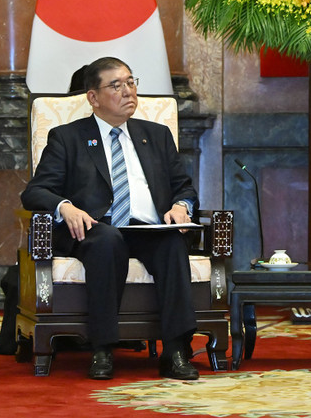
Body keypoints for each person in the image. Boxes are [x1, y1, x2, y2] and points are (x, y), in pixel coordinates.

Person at [21, 57, 200, 381]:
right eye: (116, 85)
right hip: (93, 228)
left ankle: (176, 351)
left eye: (131, 82)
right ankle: (102, 348)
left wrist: (181, 206)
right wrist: (65, 206)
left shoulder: (156, 135)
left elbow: (183, 186)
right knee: (107, 240)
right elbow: (36, 191)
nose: (128, 91)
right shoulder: (68, 137)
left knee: (173, 241)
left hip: (147, 226)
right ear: (93, 96)